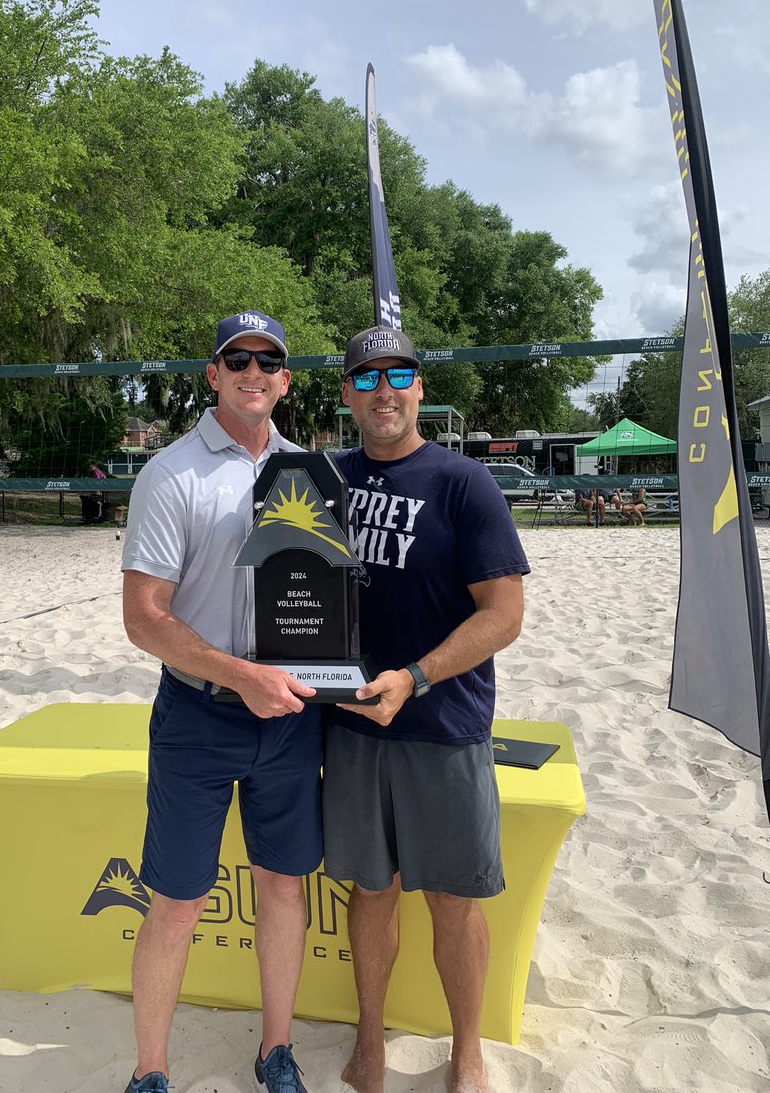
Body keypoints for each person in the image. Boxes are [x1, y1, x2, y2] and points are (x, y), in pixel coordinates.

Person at [322, 326, 529, 1093]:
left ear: (419, 387)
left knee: (451, 897)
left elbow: (503, 615)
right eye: (367, 377)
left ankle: (466, 1049)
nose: (385, 389)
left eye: (398, 373)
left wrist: (416, 675)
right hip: (349, 724)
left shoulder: (463, 482)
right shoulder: (321, 481)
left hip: (442, 724)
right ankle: (370, 1038)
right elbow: (287, 589)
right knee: (370, 889)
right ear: (347, 393)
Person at [119, 312, 322, 1093]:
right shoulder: (169, 474)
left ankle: (277, 1052)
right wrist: (241, 674)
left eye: (267, 360)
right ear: (212, 374)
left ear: (285, 379)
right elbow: (144, 619)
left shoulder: (307, 471)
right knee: (175, 903)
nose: (252, 371)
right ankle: (151, 1070)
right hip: (200, 714)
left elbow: (325, 597)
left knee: (282, 885)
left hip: (290, 712)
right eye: (235, 358)